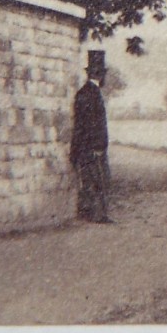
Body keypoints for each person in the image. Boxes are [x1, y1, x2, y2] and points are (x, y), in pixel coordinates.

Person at [70, 50, 111, 223]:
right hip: (92, 147)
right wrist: (96, 146)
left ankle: (93, 212)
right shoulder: (92, 94)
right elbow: (91, 124)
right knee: (98, 180)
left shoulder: (85, 92)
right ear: (100, 75)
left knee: (92, 179)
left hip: (88, 146)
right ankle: (96, 214)